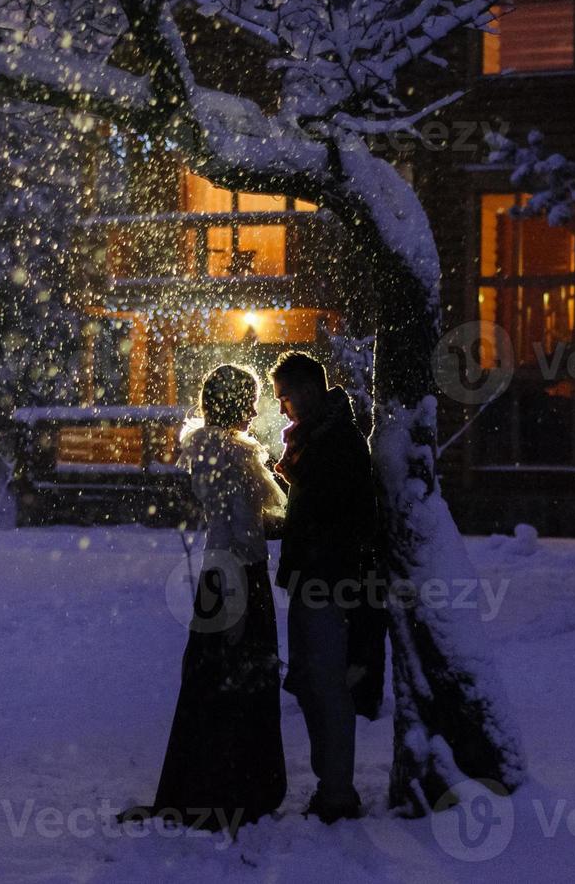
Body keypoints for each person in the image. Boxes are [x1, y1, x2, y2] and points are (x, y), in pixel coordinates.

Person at [120, 364, 288, 833]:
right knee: (241, 681)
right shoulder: (234, 456)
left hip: (218, 576)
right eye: (250, 400)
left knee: (212, 683)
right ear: (236, 404)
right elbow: (243, 531)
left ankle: (207, 782)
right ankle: (236, 786)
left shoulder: (210, 452)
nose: (256, 410)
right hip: (238, 577)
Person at [268, 351, 382, 823]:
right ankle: (332, 785)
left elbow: (332, 513)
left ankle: (337, 791)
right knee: (315, 683)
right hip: (320, 577)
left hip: (327, 581)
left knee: (326, 686)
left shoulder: (332, 440)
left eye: (285, 398)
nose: (282, 409)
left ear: (309, 392)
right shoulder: (325, 436)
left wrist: (296, 480)